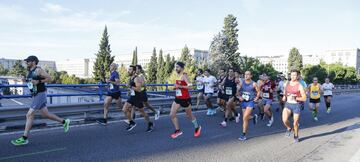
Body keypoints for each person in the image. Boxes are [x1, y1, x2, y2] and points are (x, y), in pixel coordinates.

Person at [11, 55, 70, 146]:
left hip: (40, 94)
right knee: (45, 114)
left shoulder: (38, 70)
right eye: (26, 61)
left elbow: (50, 78)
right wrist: (25, 80)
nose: (26, 62)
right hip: (35, 95)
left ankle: (24, 138)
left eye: (28, 61)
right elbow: (31, 81)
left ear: (34, 62)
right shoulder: (29, 71)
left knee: (29, 115)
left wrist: (39, 82)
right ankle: (64, 121)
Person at [170, 62, 201, 139]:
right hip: (178, 98)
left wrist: (179, 86)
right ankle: (178, 130)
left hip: (185, 99)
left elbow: (190, 87)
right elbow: (179, 86)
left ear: (182, 68)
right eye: (175, 67)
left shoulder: (184, 75)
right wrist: (175, 87)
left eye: (177, 67)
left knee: (189, 115)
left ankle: (197, 127)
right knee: (172, 115)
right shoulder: (177, 76)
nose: (176, 68)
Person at [122, 65, 154, 132]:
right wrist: (129, 90)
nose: (128, 71)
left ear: (133, 71)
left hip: (138, 98)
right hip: (132, 97)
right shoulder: (130, 78)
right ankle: (132, 122)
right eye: (129, 69)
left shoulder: (137, 78)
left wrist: (130, 86)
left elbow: (139, 89)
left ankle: (150, 123)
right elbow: (131, 88)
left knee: (142, 112)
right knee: (124, 109)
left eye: (130, 70)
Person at [282, 69, 307, 143]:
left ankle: (296, 136)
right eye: (291, 75)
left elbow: (304, 98)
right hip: (288, 104)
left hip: (296, 105)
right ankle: (289, 128)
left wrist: (296, 97)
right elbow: (285, 91)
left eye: (294, 75)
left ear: (298, 76)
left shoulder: (299, 86)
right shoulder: (287, 83)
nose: (293, 76)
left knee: (295, 123)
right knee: (284, 120)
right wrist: (284, 96)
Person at [238, 70, 260, 141]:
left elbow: (259, 91)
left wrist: (256, 98)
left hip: (250, 102)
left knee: (244, 118)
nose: (246, 76)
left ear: (251, 76)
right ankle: (253, 117)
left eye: (248, 74)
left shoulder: (254, 84)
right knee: (246, 118)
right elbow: (237, 91)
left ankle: (243, 135)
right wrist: (239, 97)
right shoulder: (242, 83)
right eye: (245, 74)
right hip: (243, 102)